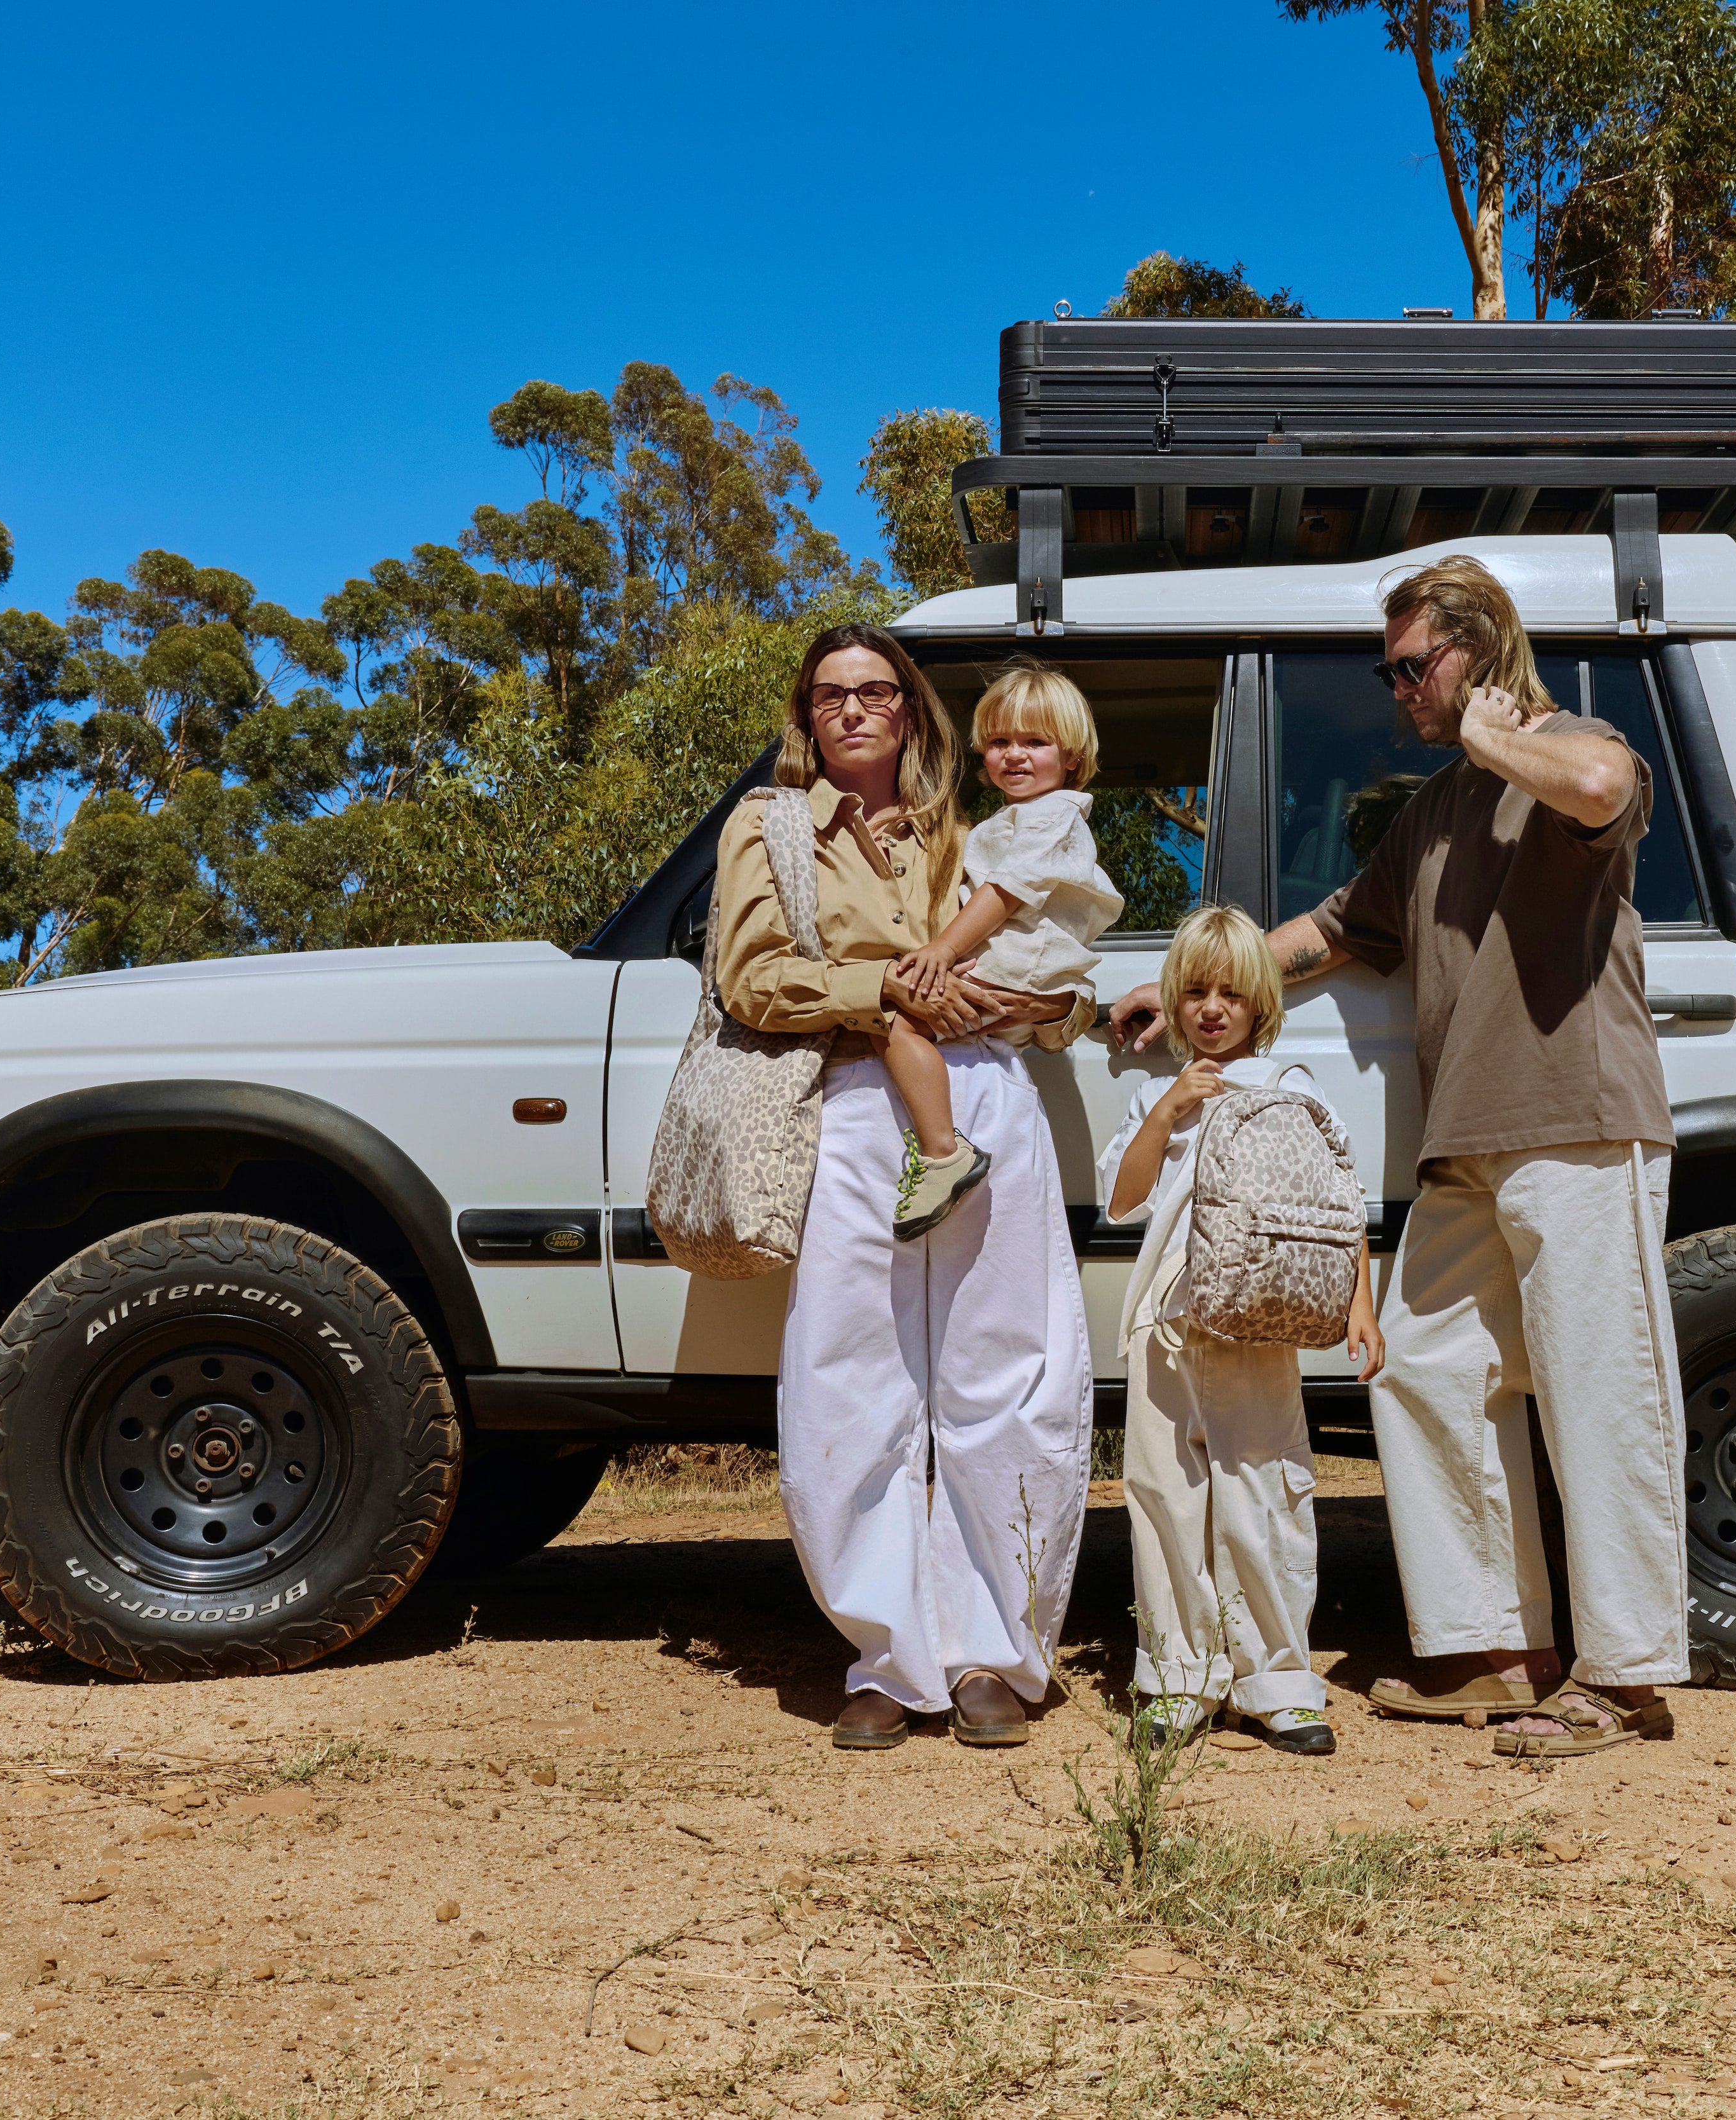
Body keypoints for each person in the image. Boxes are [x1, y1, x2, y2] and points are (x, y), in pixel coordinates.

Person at [1109, 556, 1685, 1759]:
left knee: (1601, 1388)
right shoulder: (1431, 813)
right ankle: (1497, 1648)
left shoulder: (1564, 748)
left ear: (1479, 649)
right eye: (1391, 673)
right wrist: (1199, 984)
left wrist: (1490, 735)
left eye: (1412, 667)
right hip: (1464, 1136)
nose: (1398, 691)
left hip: (1579, 1120)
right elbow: (1332, 930)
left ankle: (1625, 1674)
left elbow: (1598, 787)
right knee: (1422, 1366)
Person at [713, 623, 1091, 1753]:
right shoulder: (769, 825)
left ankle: (991, 1653)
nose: (854, 708)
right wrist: (889, 989)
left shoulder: (968, 828)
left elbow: (1054, 948)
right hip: (855, 1104)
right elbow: (751, 977)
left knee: (1005, 1373)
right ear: (807, 714)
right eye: (831, 693)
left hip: (991, 1095)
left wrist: (1043, 1006)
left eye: (877, 690)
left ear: (908, 709)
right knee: (851, 1378)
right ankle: (886, 1655)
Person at [1095, 907, 1379, 1758]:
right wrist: (1166, 1110)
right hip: (1167, 1319)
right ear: (1174, 1001)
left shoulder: (1293, 1085)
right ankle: (1179, 1679)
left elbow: (1341, 1200)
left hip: (1258, 1319)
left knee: (1265, 1493)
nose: (1212, 1008)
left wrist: (1360, 1302)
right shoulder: (1158, 1094)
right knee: (1166, 1497)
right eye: (1194, 992)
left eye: (1231, 992)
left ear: (1260, 999)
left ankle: (1277, 1682)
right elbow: (1122, 1200)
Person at [879, 664, 1124, 1241]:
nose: (1014, 754)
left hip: (1019, 964)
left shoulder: (1054, 815)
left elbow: (1006, 891)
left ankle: (943, 1154)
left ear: (1072, 756)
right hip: (1019, 969)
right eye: (999, 742)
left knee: (894, 1020)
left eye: (1035, 741)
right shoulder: (1019, 817)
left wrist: (943, 947)